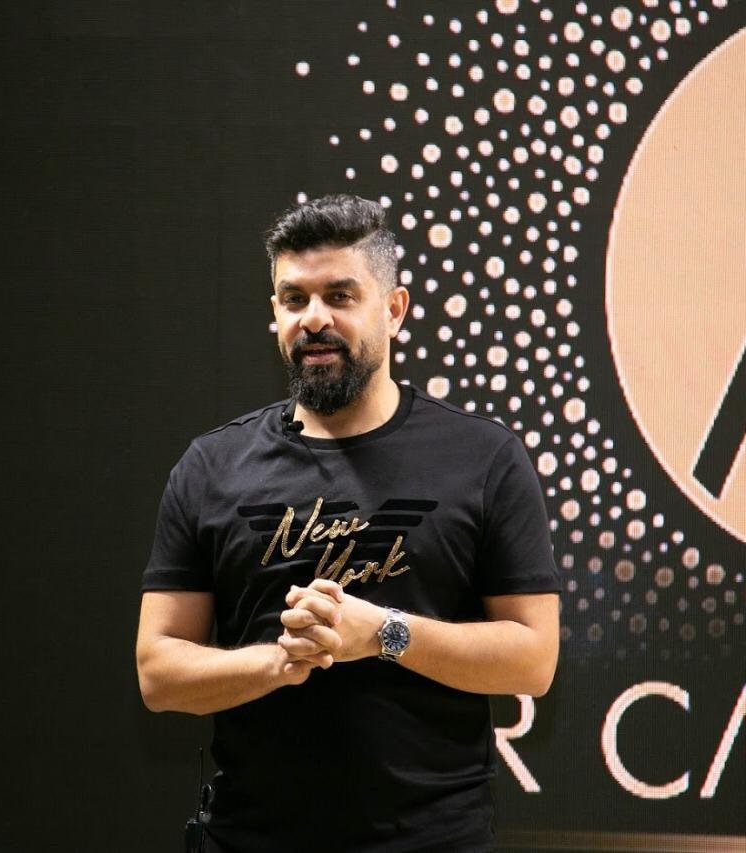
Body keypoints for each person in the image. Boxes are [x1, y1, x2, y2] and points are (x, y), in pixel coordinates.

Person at [136, 194, 560, 852]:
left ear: (394, 309)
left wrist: (381, 633)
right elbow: (158, 670)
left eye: (340, 295)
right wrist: (280, 660)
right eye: (294, 299)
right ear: (274, 312)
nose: (314, 318)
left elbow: (533, 659)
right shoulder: (211, 466)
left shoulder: (484, 458)